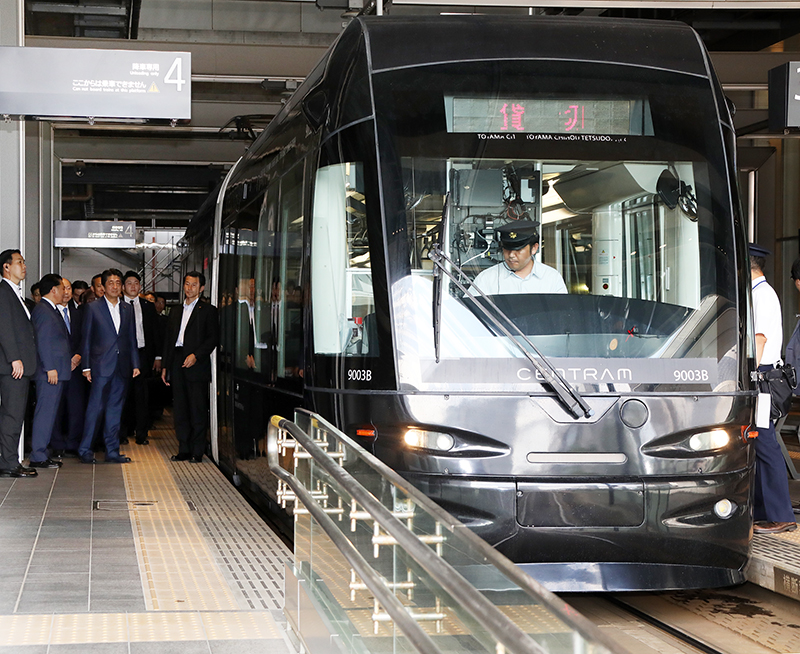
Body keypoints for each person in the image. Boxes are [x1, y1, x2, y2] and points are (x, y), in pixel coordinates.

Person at [749, 244, 797, 534]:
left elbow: (760, 339)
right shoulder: (760, 293)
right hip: (762, 376)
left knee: (764, 441)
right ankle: (764, 511)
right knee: (756, 440)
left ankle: (781, 514)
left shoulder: (762, 295)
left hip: (763, 377)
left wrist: (747, 373)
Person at [78, 268, 140, 464]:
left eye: (117, 282)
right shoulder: (93, 307)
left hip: (121, 367)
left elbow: (131, 339)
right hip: (100, 366)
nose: (114, 286)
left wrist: (135, 364)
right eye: (110, 283)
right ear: (103, 287)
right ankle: (85, 449)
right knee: (95, 409)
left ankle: (112, 451)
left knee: (115, 410)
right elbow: (86, 339)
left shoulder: (127, 309)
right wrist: (86, 366)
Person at [162, 271, 219, 463]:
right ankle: (183, 449)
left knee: (197, 409)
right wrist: (165, 366)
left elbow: (213, 338)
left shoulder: (208, 310)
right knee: (180, 408)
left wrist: (196, 355)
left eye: (194, 285)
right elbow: (169, 339)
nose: (189, 288)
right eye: (187, 284)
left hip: (197, 363)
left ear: (201, 288)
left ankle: (197, 450)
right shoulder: (176, 310)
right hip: (177, 360)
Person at [0, 250, 38, 478]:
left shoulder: (15, 294)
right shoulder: (4, 292)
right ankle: (8, 463)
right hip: (12, 366)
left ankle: (9, 460)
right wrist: (15, 358)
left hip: (19, 365)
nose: (24, 266)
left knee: (15, 415)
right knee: (12, 415)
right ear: (6, 267)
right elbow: (4, 328)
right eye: (19, 262)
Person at [29, 274, 71, 469]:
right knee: (45, 413)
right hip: (49, 372)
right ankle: (38, 455)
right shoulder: (44, 311)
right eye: (62, 288)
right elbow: (44, 341)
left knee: (49, 413)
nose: (64, 292)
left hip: (55, 371)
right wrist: (50, 367)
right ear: (53, 290)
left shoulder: (50, 309)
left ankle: (42, 452)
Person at [471, 220, 567, 295]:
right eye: (507, 248)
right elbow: (468, 313)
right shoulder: (487, 279)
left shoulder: (551, 278)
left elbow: (562, 313)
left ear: (534, 248)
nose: (511, 255)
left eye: (518, 250)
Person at [120, 271, 161, 445]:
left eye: (136, 283)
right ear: (123, 287)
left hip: (143, 354)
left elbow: (154, 332)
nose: (133, 286)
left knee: (142, 396)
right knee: (123, 395)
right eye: (129, 283)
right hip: (122, 356)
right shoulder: (117, 304)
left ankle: (141, 434)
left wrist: (158, 356)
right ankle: (122, 433)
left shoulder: (147, 306)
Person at [50, 277, 84, 457]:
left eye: (69, 288)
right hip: (55, 368)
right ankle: (56, 443)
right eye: (62, 288)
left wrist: (78, 356)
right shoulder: (50, 312)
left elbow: (85, 338)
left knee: (76, 407)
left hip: (76, 368)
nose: (66, 292)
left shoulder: (80, 313)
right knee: (55, 407)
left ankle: (72, 443)